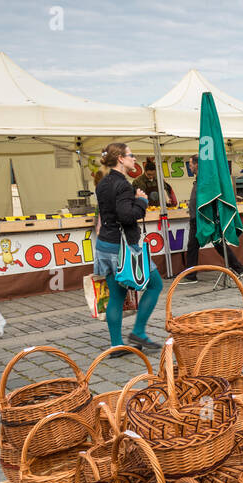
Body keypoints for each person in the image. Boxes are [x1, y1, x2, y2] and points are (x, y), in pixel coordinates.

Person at [92, 142, 163, 354]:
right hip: (123, 249)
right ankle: (139, 331)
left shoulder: (102, 184)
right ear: (121, 159)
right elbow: (126, 216)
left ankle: (116, 345)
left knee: (116, 296)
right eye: (131, 155)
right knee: (155, 285)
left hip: (105, 244)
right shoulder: (123, 185)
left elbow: (105, 214)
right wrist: (141, 201)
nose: (134, 159)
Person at [182, 154, 243, 281]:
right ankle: (191, 275)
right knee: (195, 246)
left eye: (191, 164)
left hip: (204, 218)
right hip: (196, 218)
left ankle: (238, 268)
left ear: (197, 164)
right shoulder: (199, 179)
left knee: (216, 243)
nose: (190, 167)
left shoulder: (206, 180)